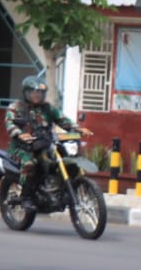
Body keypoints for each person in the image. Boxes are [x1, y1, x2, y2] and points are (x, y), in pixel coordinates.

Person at [6, 77, 91, 211]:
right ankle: (26, 197)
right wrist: (19, 133)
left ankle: (59, 191)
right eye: (34, 92)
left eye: (40, 92)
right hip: (22, 147)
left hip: (44, 145)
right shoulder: (16, 107)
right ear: (26, 92)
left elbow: (62, 120)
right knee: (30, 164)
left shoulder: (47, 108)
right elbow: (9, 123)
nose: (37, 95)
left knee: (63, 161)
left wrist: (78, 128)